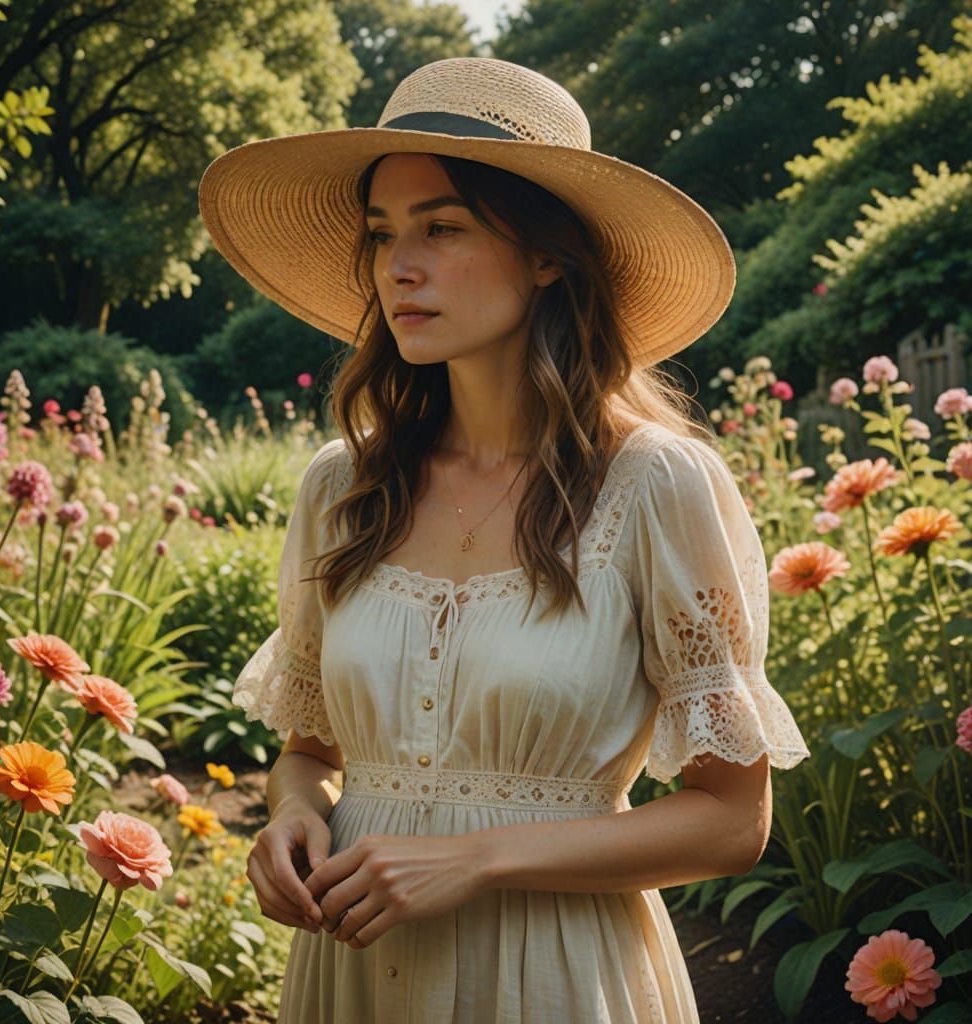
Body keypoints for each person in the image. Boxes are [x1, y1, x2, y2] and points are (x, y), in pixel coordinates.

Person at [198, 56, 811, 1023]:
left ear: (546, 256)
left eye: (442, 227)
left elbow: (733, 822)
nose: (398, 266)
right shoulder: (343, 488)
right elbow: (312, 751)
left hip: (559, 974)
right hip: (352, 974)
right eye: (382, 233)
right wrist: (294, 814)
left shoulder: (654, 485)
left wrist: (478, 857)